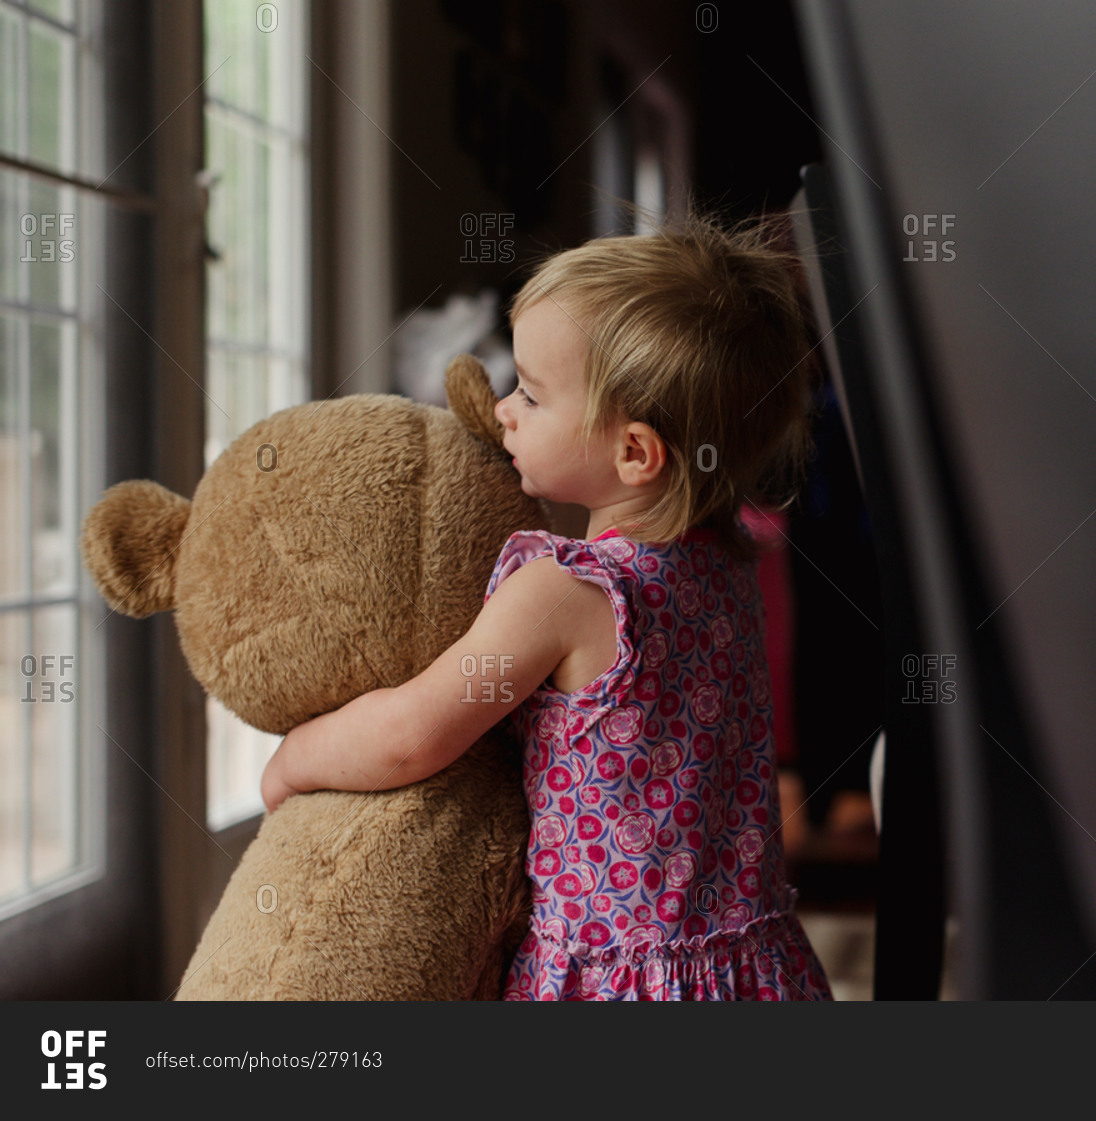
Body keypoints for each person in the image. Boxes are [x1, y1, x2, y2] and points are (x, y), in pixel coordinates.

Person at [260, 208, 834, 1001]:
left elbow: (408, 736)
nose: (503, 409)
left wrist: (295, 756)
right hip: (754, 968)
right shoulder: (726, 567)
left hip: (618, 986)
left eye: (530, 393)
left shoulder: (569, 592)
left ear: (634, 452)